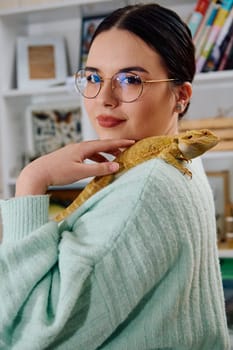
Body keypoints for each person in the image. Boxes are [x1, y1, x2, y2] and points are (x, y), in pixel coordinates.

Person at [0, 3, 230, 349]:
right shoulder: (178, 158)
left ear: (181, 96)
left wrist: (33, 178)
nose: (104, 99)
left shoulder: (147, 187)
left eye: (130, 80)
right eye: (93, 77)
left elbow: (26, 334)